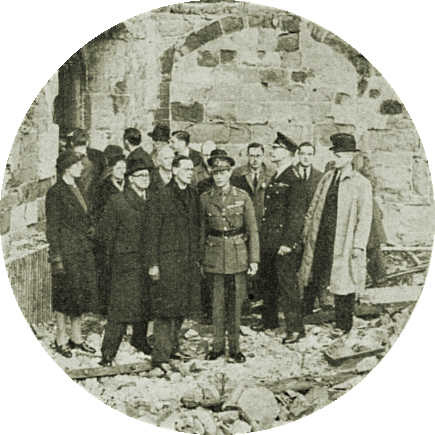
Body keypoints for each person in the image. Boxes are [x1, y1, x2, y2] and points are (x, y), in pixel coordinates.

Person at [299, 133, 373, 334]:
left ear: (350, 157)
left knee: (344, 281)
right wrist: (307, 231)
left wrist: (358, 244)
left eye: (340, 156)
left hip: (344, 239)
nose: (336, 159)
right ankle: (304, 313)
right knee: (314, 272)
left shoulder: (361, 183)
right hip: (322, 235)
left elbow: (364, 217)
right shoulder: (328, 177)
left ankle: (343, 324)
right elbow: (314, 206)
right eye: (335, 155)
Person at [200, 151, 259, 363]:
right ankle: (216, 347)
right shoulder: (205, 198)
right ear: (211, 174)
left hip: (237, 255)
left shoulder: (242, 197)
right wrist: (201, 260)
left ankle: (234, 348)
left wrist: (254, 259)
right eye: (215, 173)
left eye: (223, 172)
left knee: (235, 304)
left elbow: (252, 229)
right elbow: (202, 231)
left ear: (230, 172)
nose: (219, 177)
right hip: (214, 256)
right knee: (216, 304)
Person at [97, 158, 154, 366]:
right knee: (120, 308)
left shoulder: (152, 199)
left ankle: (140, 340)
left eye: (147, 175)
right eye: (140, 176)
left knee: (145, 303)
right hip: (124, 262)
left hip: (146, 260)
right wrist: (110, 264)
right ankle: (108, 352)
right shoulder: (118, 201)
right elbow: (106, 235)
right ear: (130, 179)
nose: (145, 179)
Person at [147, 156, 201, 368]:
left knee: (181, 307)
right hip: (166, 260)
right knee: (165, 309)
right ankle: (161, 355)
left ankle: (173, 346)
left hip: (186, 261)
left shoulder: (193, 195)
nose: (190, 172)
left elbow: (197, 228)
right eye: (186, 169)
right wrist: (153, 263)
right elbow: (151, 232)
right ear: (175, 170)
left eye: (191, 169)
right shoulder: (161, 195)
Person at [45, 150, 98, 358]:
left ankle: (76, 338)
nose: (81, 167)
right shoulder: (56, 192)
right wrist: (56, 257)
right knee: (64, 296)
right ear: (66, 167)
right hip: (66, 251)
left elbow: (86, 215)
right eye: (77, 165)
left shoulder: (80, 188)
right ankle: (61, 338)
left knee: (80, 295)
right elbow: (53, 227)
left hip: (82, 249)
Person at [258, 132, 307, 344]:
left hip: (283, 244)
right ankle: (269, 322)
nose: (272, 151)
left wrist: (288, 243)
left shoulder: (293, 179)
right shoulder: (277, 175)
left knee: (288, 286)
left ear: (287, 153)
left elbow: (296, 215)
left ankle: (296, 328)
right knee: (268, 282)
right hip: (270, 240)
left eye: (276, 148)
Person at [293, 142, 325, 315]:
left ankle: (308, 304)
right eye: (303, 153)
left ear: (314, 156)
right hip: (293, 228)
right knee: (293, 265)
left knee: (312, 267)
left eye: (309, 154)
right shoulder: (290, 174)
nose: (306, 157)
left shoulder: (321, 177)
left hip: (313, 229)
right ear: (298, 154)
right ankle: (292, 303)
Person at [231, 142, 275, 229]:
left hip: (263, 220)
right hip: (244, 219)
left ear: (263, 156)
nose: (255, 159)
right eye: (252, 156)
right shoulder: (238, 173)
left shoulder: (270, 173)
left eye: (258, 156)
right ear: (247, 156)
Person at [66, 129, 107, 205]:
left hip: (76, 198)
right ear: (87, 143)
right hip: (93, 198)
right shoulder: (98, 156)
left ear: (72, 143)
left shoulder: (67, 159)